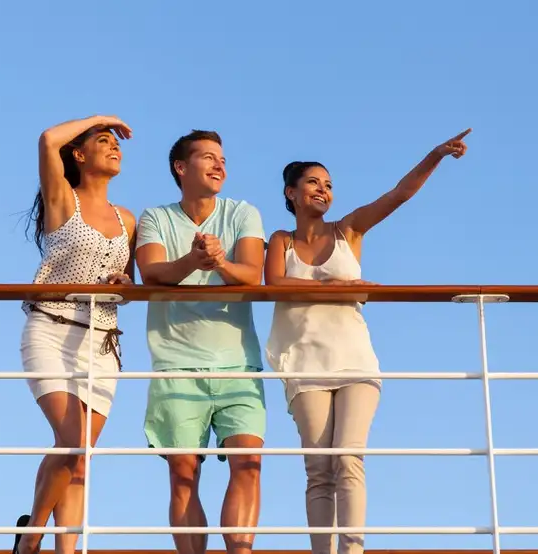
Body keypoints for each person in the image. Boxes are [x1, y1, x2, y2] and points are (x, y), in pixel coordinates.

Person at [264, 129, 472, 554]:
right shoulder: (281, 241)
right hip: (303, 362)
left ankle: (353, 551)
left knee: (348, 457)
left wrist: (434, 155)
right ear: (291, 192)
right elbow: (275, 284)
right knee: (318, 468)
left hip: (354, 359)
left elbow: (399, 195)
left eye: (328, 184)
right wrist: (340, 286)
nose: (323, 190)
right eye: (313, 182)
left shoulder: (349, 229)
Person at [135, 130, 266, 554]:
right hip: (176, 363)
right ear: (181, 167)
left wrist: (220, 261)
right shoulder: (155, 217)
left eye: (222, 159)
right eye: (208, 157)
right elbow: (151, 272)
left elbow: (253, 274)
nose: (219, 165)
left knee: (249, 465)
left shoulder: (243, 212)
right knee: (183, 475)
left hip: (238, 363)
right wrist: (194, 259)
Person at [13, 114, 137, 554]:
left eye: (115, 142)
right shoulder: (63, 199)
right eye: (103, 141)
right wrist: (102, 118)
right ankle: (31, 538)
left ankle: (65, 550)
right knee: (71, 441)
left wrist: (126, 285)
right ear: (79, 155)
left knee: (81, 456)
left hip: (102, 343)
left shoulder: (127, 219)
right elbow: (49, 139)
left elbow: (128, 288)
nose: (114, 146)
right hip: (51, 329)